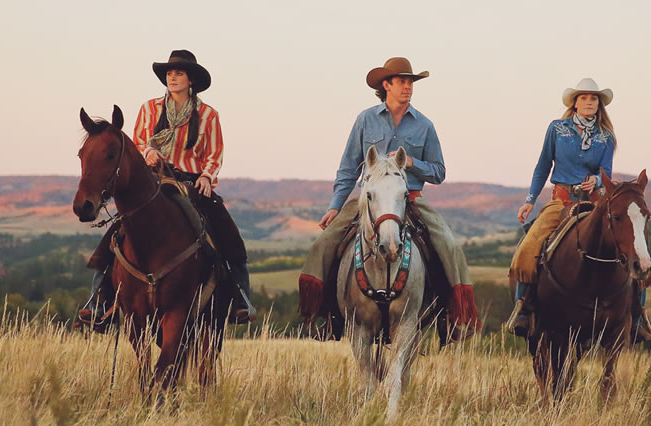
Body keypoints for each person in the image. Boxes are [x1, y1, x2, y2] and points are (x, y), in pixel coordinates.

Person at [298, 57, 481, 337]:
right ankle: (324, 315)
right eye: (402, 81)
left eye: (410, 82)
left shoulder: (424, 125)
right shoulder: (365, 119)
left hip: (410, 199)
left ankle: (452, 317)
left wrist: (412, 163)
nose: (408, 87)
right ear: (387, 85)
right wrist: (335, 206)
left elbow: (439, 172)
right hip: (369, 200)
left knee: (449, 245)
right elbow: (349, 167)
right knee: (324, 244)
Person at [77, 50, 256, 329]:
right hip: (152, 180)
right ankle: (98, 300)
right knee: (117, 232)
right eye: (170, 74)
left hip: (192, 182)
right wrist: (148, 150)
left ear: (191, 80)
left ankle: (240, 297)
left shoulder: (208, 115)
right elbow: (136, 141)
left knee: (227, 233)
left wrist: (207, 177)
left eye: (179, 73)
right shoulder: (149, 108)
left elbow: (215, 152)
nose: (172, 78)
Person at [504, 77, 651, 341]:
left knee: (636, 250)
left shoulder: (606, 137)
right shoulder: (557, 129)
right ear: (574, 103)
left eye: (593, 98)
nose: (589, 102)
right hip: (561, 199)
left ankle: (638, 314)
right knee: (528, 248)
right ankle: (523, 309)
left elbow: (605, 171)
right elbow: (543, 166)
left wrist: (596, 180)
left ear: (599, 105)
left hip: (595, 202)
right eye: (583, 98)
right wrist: (529, 199)